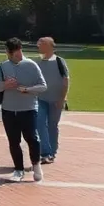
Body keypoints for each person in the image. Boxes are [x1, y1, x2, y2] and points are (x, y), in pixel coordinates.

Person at [0, 37, 46, 182]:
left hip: (28, 109)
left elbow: (43, 86)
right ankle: (18, 169)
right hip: (9, 110)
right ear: (8, 53)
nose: (19, 56)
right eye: (15, 53)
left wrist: (28, 89)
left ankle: (36, 165)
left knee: (32, 138)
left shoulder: (32, 65)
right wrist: (5, 84)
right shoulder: (2, 66)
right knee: (13, 141)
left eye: (20, 52)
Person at [35, 36, 70, 165]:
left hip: (56, 99)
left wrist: (62, 99)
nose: (39, 46)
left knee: (52, 126)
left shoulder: (60, 61)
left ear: (49, 46)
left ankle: (52, 152)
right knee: (39, 123)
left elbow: (66, 81)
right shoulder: (37, 62)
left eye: (41, 44)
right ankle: (45, 152)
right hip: (40, 98)